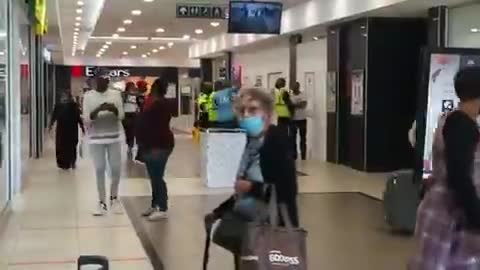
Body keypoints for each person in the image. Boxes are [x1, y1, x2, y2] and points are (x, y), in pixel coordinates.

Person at [205, 87, 299, 269]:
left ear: (268, 113)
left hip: (269, 229)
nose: (246, 115)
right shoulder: (253, 143)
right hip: (247, 230)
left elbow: (287, 191)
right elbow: (243, 188)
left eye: (253, 110)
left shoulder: (275, 142)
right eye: (242, 111)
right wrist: (219, 212)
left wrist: (252, 188)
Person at [409, 67, 480, 270]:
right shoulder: (463, 126)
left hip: (443, 208)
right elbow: (460, 175)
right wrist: (476, 215)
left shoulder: (451, 119)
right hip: (452, 214)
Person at [83, 70, 125, 216]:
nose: (100, 83)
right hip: (96, 138)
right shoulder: (88, 96)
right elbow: (87, 119)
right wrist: (98, 110)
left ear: (107, 81)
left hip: (114, 137)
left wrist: (113, 109)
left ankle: (114, 198)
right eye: (97, 80)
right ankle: (101, 202)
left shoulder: (116, 94)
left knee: (116, 168)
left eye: (103, 80)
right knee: (99, 168)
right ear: (94, 81)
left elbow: (121, 116)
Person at [136, 78, 175, 221]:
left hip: (160, 145)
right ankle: (155, 203)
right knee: (153, 176)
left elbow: (151, 123)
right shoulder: (151, 103)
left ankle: (162, 207)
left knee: (157, 176)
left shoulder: (160, 105)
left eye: (153, 87)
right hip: (150, 144)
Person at [49, 92, 85, 170]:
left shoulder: (73, 106)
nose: (64, 99)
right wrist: (50, 125)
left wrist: (82, 127)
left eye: (65, 97)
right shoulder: (59, 106)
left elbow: (78, 117)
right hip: (65, 129)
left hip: (69, 129)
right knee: (64, 146)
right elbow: (54, 116)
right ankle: (65, 163)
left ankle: (70, 162)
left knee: (70, 146)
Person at [122, 82, 142, 158]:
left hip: (133, 113)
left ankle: (131, 145)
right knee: (127, 130)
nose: (133, 87)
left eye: (133, 86)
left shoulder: (136, 94)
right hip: (126, 114)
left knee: (133, 130)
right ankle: (128, 144)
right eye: (131, 86)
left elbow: (139, 103)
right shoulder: (124, 94)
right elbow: (122, 101)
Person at [290, 82, 308, 160]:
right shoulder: (290, 96)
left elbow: (303, 105)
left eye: (296, 87)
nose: (294, 89)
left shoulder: (303, 95)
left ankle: (303, 156)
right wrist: (297, 104)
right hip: (293, 119)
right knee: (293, 139)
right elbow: (288, 105)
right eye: (293, 87)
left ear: (298, 87)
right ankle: (294, 156)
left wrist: (293, 105)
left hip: (302, 119)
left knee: (303, 138)